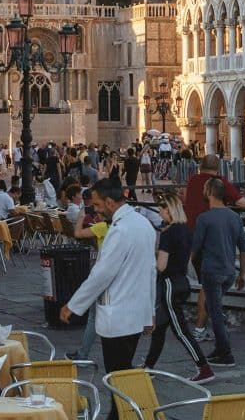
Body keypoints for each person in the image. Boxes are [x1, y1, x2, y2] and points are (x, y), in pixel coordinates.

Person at [60, 179, 156, 420]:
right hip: (135, 313)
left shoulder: (120, 230)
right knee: (121, 373)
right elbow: (150, 272)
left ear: (111, 202)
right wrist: (149, 313)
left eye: (98, 205)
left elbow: (102, 273)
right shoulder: (144, 224)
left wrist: (73, 305)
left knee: (116, 376)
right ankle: (124, 414)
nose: (96, 210)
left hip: (118, 315)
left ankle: (125, 414)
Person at [142, 191, 214, 383]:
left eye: (161, 210)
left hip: (169, 284)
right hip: (182, 280)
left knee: (180, 331)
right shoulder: (186, 230)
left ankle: (203, 367)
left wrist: (149, 261)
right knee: (160, 328)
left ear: (169, 209)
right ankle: (148, 366)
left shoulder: (168, 233)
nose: (160, 214)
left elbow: (161, 266)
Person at [184, 154, 245, 340]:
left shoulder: (192, 180)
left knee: (208, 285)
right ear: (218, 168)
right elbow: (241, 203)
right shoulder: (218, 183)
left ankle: (213, 315)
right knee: (207, 288)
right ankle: (200, 328)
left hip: (193, 235)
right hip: (212, 239)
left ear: (200, 166)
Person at [191, 177, 245, 368]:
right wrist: (242, 274)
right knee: (212, 306)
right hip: (229, 271)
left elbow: (195, 247)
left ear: (209, 192)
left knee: (214, 310)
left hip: (212, 270)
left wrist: (186, 263)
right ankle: (219, 347)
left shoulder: (204, 218)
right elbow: (243, 248)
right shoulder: (234, 217)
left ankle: (225, 352)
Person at [65, 197, 110, 361]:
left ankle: (83, 354)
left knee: (93, 316)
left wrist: (81, 217)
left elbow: (78, 233)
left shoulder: (102, 227)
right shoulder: (116, 228)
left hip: (101, 272)